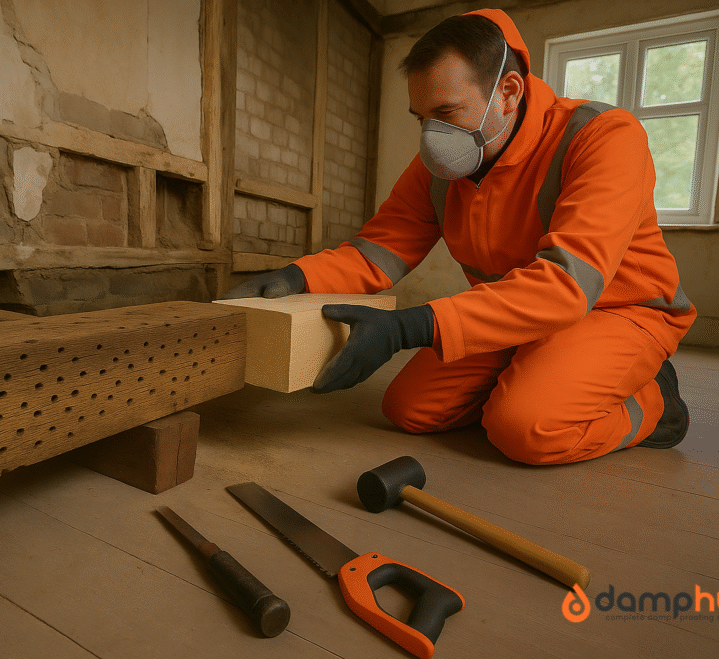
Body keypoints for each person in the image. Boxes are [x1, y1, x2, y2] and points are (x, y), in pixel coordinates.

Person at [223, 8, 695, 465]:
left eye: (447, 111)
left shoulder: (602, 136)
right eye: (421, 116)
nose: (432, 134)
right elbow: (378, 253)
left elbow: (568, 286)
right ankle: (538, 374)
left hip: (617, 310)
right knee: (410, 410)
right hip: (513, 312)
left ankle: (654, 404)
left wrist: (409, 327)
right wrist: (295, 276)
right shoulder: (441, 169)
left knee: (526, 428)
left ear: (508, 92)